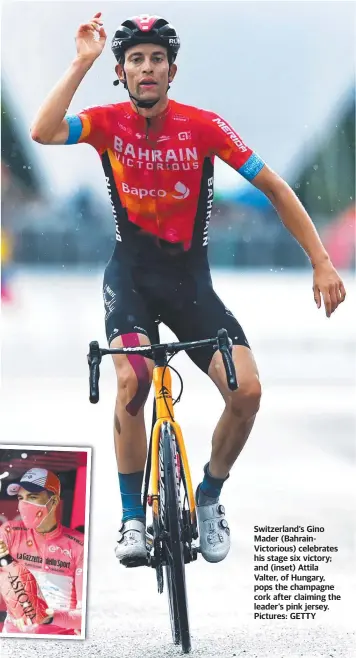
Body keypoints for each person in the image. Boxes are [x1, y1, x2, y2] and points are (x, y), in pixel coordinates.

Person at [30, 13, 346, 565]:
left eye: (156, 60)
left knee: (246, 392)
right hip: (129, 277)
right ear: (122, 73)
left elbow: (272, 184)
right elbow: (43, 131)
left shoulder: (204, 126)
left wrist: (321, 261)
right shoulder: (106, 123)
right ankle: (131, 517)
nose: (146, 69)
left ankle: (210, 494)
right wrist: (81, 60)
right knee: (134, 377)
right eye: (135, 60)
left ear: (172, 71)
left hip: (189, 282)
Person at [0, 468, 83, 634]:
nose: (23, 504)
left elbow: (87, 617)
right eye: (20, 498)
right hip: (13, 638)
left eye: (32, 497)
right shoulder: (10, 532)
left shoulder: (78, 544)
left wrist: (50, 617)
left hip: (59, 640)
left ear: (53, 501)